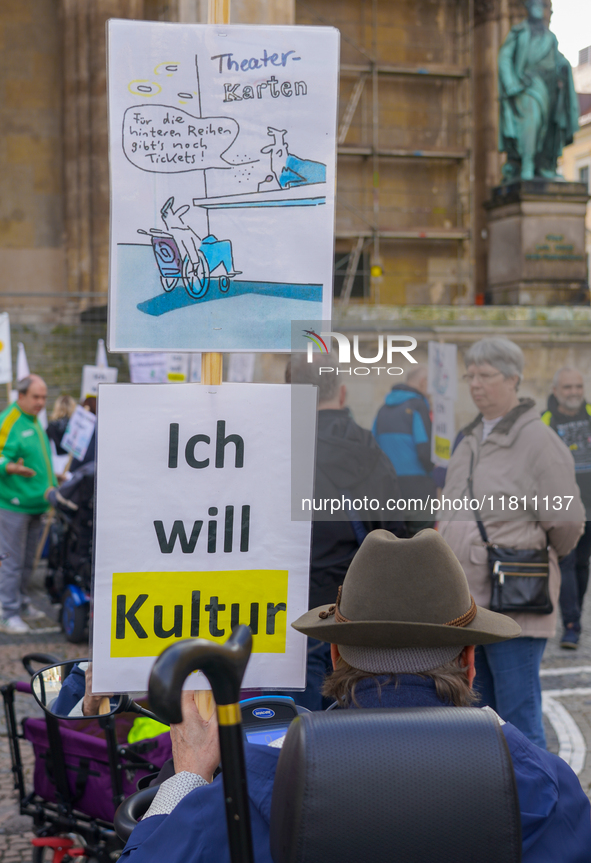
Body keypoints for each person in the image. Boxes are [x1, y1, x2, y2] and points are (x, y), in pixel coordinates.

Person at [119, 530, 591, 863]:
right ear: (469, 659)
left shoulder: (259, 782)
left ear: (336, 654)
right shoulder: (539, 782)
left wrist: (187, 778)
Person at [438, 338, 584, 749]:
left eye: (485, 375)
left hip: (517, 599)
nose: (475, 384)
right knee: (477, 715)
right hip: (467, 604)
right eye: (471, 376)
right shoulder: (468, 440)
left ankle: (534, 804)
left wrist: (530, 555)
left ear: (513, 379)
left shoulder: (539, 442)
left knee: (519, 719)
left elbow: (568, 522)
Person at [287, 352, 405, 709]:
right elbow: (395, 531)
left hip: (296, 608)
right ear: (341, 393)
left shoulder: (277, 446)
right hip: (356, 607)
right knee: (354, 732)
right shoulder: (370, 450)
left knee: (298, 733)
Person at [498, 0, 579, 182]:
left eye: (541, 6)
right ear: (528, 8)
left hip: (550, 87)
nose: (538, 9)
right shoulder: (519, 32)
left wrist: (564, 66)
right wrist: (510, 83)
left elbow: (558, 59)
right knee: (531, 123)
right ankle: (527, 165)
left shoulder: (551, 37)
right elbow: (504, 57)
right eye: (534, 5)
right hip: (528, 85)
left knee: (548, 127)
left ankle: (544, 166)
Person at [0, 375, 57, 633]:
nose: (41, 402)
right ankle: (6, 611)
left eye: (44, 397)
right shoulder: (10, 420)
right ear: (20, 396)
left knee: (27, 562)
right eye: (36, 397)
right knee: (12, 561)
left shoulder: (33, 421)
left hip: (36, 505)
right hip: (14, 505)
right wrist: (11, 467)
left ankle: (21, 603)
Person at [542, 368, 591, 649]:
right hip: (562, 508)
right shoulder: (544, 422)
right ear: (556, 390)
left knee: (582, 564)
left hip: (590, 505)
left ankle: (575, 617)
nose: (574, 392)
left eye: (578, 387)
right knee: (566, 563)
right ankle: (571, 624)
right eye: (568, 387)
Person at [372, 365, 436, 504]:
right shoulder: (418, 406)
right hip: (418, 489)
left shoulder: (382, 410)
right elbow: (424, 449)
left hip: (388, 489)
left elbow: (373, 449)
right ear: (423, 382)